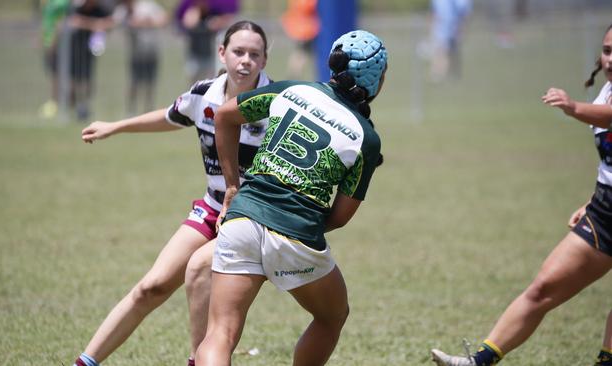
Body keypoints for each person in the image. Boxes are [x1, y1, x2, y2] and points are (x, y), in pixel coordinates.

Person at [72, 20, 270, 366]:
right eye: (238, 51)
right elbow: (169, 116)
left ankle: (198, 359)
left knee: (198, 269)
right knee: (153, 286)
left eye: (255, 54)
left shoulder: (275, 106)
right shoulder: (204, 94)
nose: (245, 61)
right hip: (213, 207)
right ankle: (85, 362)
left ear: (265, 61)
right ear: (222, 53)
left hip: (254, 217)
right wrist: (115, 127)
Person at [195, 29, 387, 366]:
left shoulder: (294, 89)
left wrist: (232, 187)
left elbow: (224, 116)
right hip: (297, 237)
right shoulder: (366, 140)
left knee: (220, 334)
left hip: (241, 220)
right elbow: (341, 216)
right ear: (376, 81)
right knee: (332, 316)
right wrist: (292, 224)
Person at [431, 24, 612, 366]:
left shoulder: (597, 105)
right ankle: (477, 362)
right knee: (543, 288)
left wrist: (573, 107)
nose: (611, 59)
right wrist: (589, 202)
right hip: (605, 211)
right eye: (607, 50)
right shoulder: (605, 92)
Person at [114, 0, 169, 116]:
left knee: (150, 83)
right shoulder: (122, 10)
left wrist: (146, 23)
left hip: (151, 51)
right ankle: (131, 110)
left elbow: (164, 19)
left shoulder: (147, 6)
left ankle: (148, 110)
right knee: (134, 82)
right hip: (135, 54)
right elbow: (113, 22)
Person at [67, 0, 115, 121]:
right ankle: (72, 107)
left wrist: (91, 24)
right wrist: (94, 24)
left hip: (89, 52)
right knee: (73, 81)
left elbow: (110, 22)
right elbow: (73, 21)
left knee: (87, 81)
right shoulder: (77, 7)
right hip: (75, 50)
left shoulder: (101, 9)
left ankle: (84, 107)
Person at [175, 0, 239, 86]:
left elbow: (230, 17)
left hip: (213, 54)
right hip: (195, 54)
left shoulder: (216, 8)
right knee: (194, 82)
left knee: (214, 82)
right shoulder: (190, 8)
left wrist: (218, 22)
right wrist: (192, 16)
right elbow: (184, 22)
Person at [39, 0, 71, 119]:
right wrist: (41, 38)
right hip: (49, 42)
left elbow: (60, 23)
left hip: (57, 45)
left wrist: (54, 41)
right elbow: (46, 20)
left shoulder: (61, 3)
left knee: (58, 76)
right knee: (53, 75)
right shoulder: (49, 2)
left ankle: (59, 104)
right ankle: (54, 102)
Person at [428, 0, 471, 82]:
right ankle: (437, 75)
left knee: (453, 53)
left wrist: (462, 29)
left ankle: (452, 75)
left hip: (455, 29)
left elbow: (464, 13)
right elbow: (433, 12)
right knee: (440, 52)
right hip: (440, 29)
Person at [280, 0, 319, 79]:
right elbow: (307, 7)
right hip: (305, 30)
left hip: (301, 29)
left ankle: (294, 76)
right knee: (301, 54)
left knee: (301, 54)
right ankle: (294, 76)